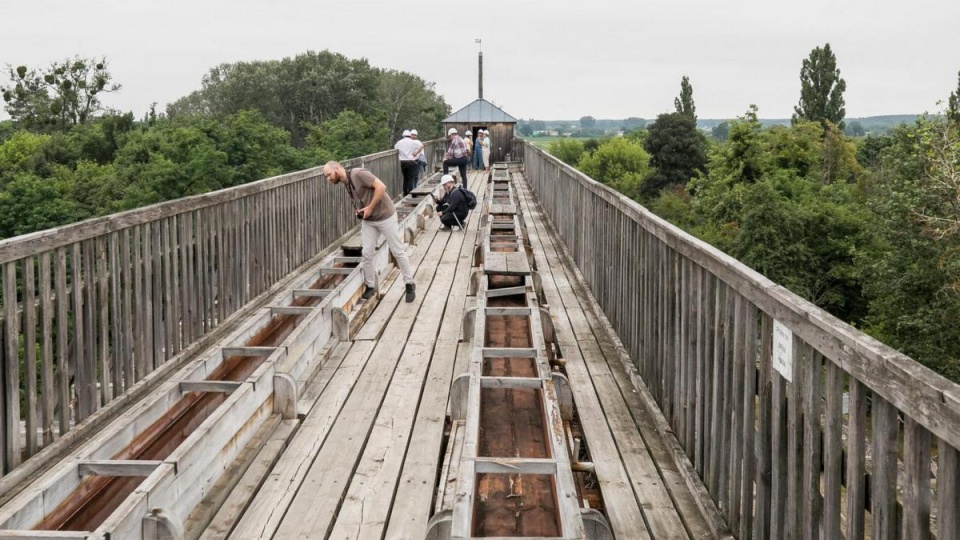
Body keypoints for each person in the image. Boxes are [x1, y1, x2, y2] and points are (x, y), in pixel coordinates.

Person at [323, 161, 416, 303]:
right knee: (367, 253)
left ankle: (409, 284)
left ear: (337, 168)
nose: (328, 179)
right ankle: (370, 286)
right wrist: (361, 210)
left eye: (328, 174)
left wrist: (370, 207)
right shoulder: (346, 182)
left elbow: (381, 187)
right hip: (369, 220)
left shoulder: (358, 174)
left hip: (385, 215)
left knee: (397, 251)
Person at [394, 129, 423, 196]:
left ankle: (405, 193)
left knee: (405, 178)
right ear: (410, 135)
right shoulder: (412, 142)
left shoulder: (399, 142)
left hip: (403, 162)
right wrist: (415, 153)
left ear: (403, 136)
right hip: (411, 161)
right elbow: (421, 146)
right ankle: (411, 193)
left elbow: (395, 148)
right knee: (411, 178)